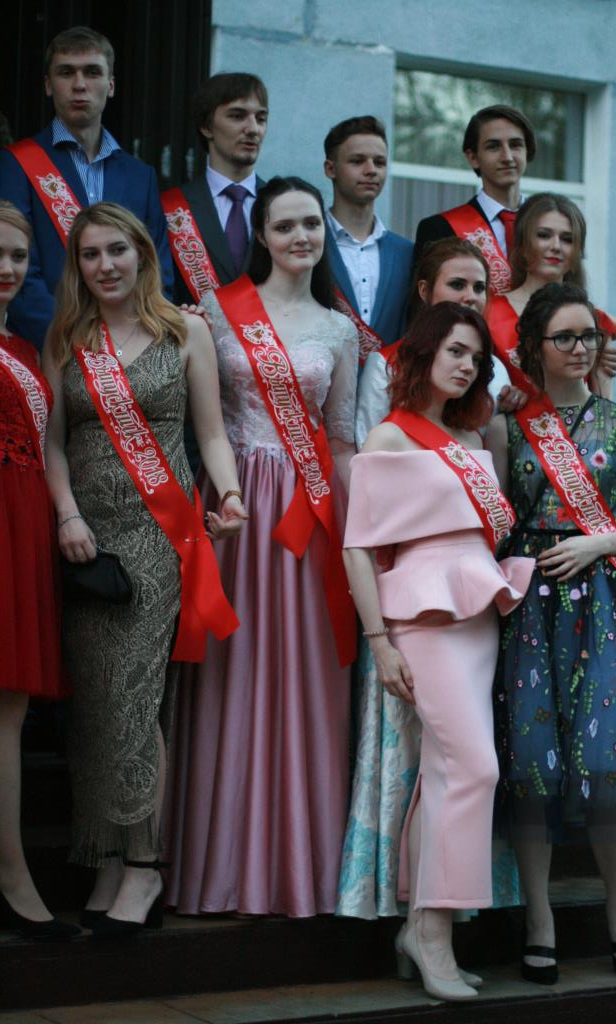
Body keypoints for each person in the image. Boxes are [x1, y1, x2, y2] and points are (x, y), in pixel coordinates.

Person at [43, 202, 245, 938]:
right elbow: (52, 442)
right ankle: (106, 853)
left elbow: (211, 433)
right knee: (95, 702)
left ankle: (144, 865)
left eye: (117, 251)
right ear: (78, 265)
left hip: (160, 537)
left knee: (133, 694)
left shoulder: (186, 331)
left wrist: (229, 494)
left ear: (142, 255)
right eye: (91, 254)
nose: (106, 266)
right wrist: (66, 514)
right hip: (85, 543)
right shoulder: (67, 338)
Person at [163, 176, 358, 918]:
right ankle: (216, 867)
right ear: (263, 236)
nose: (301, 236)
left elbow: (341, 437)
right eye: (285, 225)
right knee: (230, 669)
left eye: (312, 224)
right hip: (236, 504)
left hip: (309, 514)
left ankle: (296, 870)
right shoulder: (215, 311)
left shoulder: (339, 330)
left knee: (306, 675)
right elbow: (199, 416)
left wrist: (360, 530)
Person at [486, 282, 616, 986]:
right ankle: (539, 921)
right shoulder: (508, 428)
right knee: (532, 769)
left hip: (604, 608)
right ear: (534, 347)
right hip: (531, 612)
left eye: (589, 336)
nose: (580, 349)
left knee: (608, 766)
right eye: (564, 337)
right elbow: (492, 522)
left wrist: (598, 544)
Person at [342, 302, 534, 998]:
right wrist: (379, 642)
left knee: (447, 774)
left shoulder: (472, 436)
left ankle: (419, 929)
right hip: (422, 615)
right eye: (455, 350)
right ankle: (432, 933)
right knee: (474, 767)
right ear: (423, 353)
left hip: (477, 613)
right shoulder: (389, 438)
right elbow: (358, 548)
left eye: (476, 357)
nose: (467, 365)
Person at [0, 201, 79, 942]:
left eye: (18, 257)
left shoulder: (24, 349)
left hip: (21, 531)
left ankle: (11, 871)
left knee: (11, 708)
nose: (7, 268)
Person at [0, 26, 173, 350]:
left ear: (111, 85)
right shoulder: (15, 164)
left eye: (92, 72)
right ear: (49, 85)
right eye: (66, 73)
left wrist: (134, 346)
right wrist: (77, 347)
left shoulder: (141, 176)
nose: (79, 85)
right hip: (52, 350)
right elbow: (19, 273)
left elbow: (157, 271)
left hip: (131, 355)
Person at [355, 236, 523, 450]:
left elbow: (494, 454)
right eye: (457, 284)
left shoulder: (495, 368)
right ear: (424, 290)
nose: (470, 296)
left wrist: (518, 407)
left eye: (479, 287)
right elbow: (368, 449)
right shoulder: (386, 363)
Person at [485, 193, 616, 395]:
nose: (556, 246)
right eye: (544, 235)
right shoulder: (489, 313)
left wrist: (602, 376)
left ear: (577, 252)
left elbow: (603, 405)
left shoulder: (595, 320)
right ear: (522, 245)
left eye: (567, 239)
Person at [163, 73, 269, 306]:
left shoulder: (282, 203)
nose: (253, 129)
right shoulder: (170, 208)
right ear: (206, 126)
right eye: (237, 116)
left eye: (261, 118)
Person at [414, 105, 536, 293]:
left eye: (515, 145)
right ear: (473, 157)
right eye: (494, 146)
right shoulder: (440, 229)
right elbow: (425, 305)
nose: (507, 157)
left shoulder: (551, 226)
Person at [323, 115, 413, 355]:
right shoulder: (308, 243)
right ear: (330, 169)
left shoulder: (407, 253)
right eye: (357, 161)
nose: (371, 170)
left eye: (379, 162)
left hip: (388, 378)